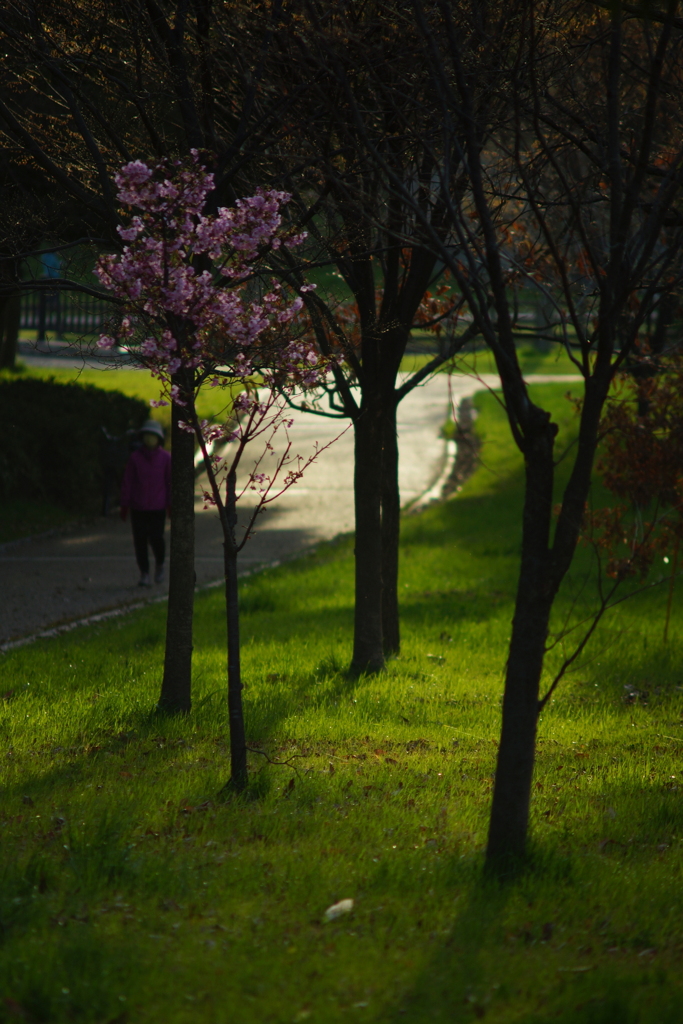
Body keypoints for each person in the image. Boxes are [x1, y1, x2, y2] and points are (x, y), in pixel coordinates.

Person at [120, 420, 171, 586]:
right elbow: (128, 482)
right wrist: (125, 504)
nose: (150, 440)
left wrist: (170, 505)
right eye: (147, 436)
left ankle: (160, 564)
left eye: (153, 436)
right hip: (139, 506)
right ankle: (144, 573)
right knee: (140, 541)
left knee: (156, 538)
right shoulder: (135, 458)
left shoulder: (165, 459)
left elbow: (170, 482)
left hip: (158, 507)